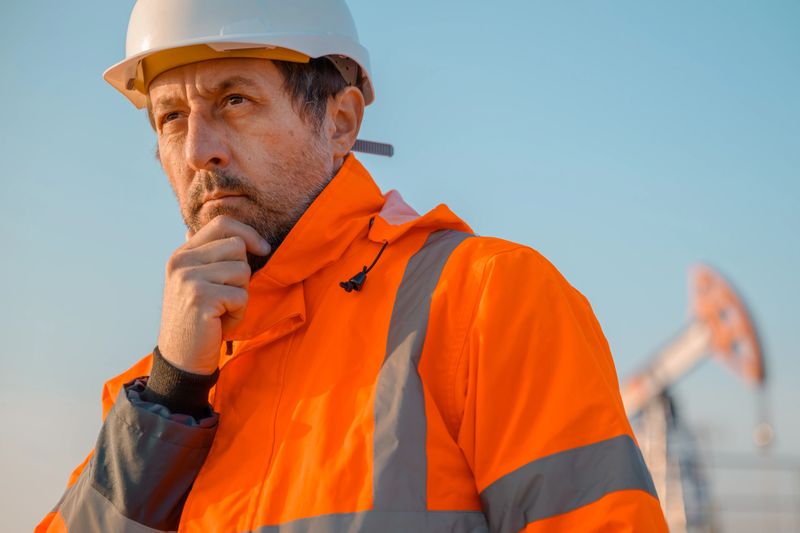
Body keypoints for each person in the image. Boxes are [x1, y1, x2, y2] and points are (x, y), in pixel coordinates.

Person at [37, 1, 668, 531]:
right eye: (171, 117)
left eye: (234, 99)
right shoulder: (157, 396)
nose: (200, 150)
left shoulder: (485, 301)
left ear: (340, 122)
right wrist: (173, 392)